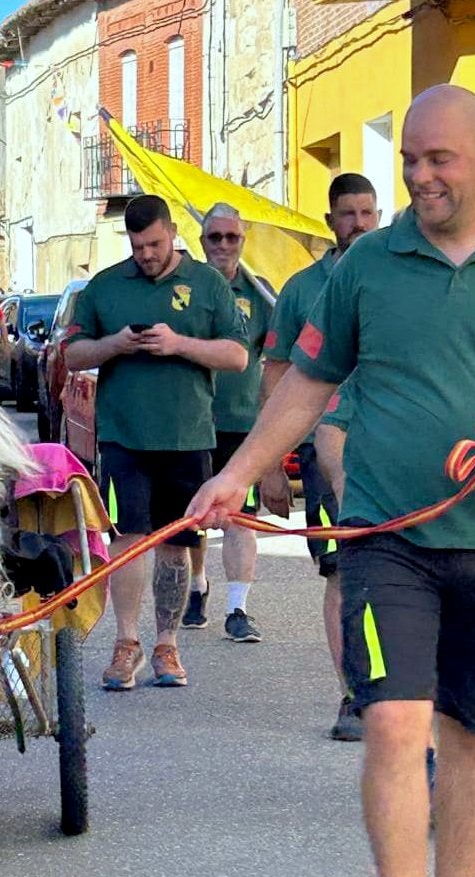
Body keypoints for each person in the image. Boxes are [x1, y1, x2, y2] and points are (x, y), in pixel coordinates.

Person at [189, 85, 475, 877]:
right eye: (409, 160)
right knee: (393, 725)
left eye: (438, 160)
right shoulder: (366, 268)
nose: (419, 176)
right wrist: (240, 472)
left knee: (474, 736)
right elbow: (308, 382)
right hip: (388, 536)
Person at [65, 194, 248, 691]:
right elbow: (73, 354)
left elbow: (236, 356)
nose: (146, 254)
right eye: (137, 245)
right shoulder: (105, 287)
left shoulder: (208, 284)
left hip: (187, 436)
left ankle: (167, 645)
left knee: (177, 541)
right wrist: (115, 345)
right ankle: (126, 644)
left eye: (154, 243)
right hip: (124, 435)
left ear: (172, 233)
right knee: (127, 539)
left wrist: (178, 344)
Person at [259, 172, 381, 740]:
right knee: (341, 571)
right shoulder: (303, 290)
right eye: (348, 214)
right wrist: (268, 465)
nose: (358, 224)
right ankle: (351, 693)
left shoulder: (396, 275)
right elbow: (279, 374)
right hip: (323, 446)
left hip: (397, 446)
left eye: (368, 213)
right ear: (329, 220)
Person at [182, 204, 273, 643]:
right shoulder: (189, 287)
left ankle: (238, 609)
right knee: (198, 515)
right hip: (193, 420)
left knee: (242, 517)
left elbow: (278, 356)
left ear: (242, 240)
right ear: (202, 241)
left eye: (231, 237)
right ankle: (198, 583)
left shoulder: (260, 292)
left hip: (242, 421)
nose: (222, 245)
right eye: (214, 237)